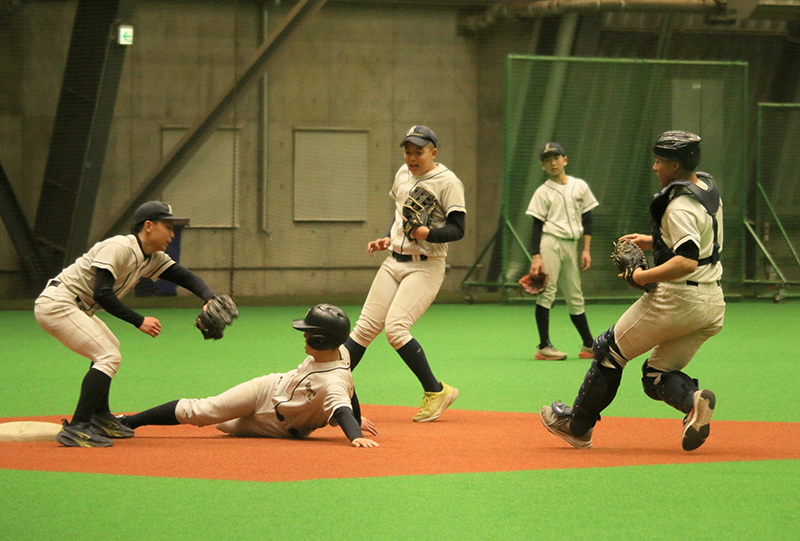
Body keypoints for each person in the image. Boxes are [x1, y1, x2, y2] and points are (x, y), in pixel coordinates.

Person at [539, 130, 724, 451]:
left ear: (676, 165)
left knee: (608, 351)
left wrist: (642, 276)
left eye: (660, 161)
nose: (655, 167)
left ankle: (578, 426)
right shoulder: (706, 188)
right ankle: (694, 402)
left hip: (677, 299)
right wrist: (652, 240)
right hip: (712, 304)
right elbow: (702, 242)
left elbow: (686, 261)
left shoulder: (678, 206)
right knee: (656, 375)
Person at [35, 201, 220, 448]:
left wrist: (210, 298)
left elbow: (184, 277)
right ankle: (78, 425)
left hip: (75, 306)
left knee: (110, 346)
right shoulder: (119, 247)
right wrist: (139, 320)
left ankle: (100, 417)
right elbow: (102, 293)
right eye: (168, 226)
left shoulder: (151, 257)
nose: (172, 234)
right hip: (58, 303)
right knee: (107, 355)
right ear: (148, 226)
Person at [119, 304, 379, 448]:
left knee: (222, 425)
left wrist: (355, 434)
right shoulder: (342, 354)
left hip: (276, 426)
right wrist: (358, 417)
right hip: (267, 388)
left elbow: (343, 403)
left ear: (322, 340)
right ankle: (128, 422)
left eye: (309, 332)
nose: (304, 335)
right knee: (204, 411)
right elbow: (351, 390)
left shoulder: (332, 383)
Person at [343, 125, 465, 422]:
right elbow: (401, 214)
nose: (412, 156)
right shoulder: (403, 174)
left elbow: (458, 229)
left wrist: (428, 232)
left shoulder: (447, 182)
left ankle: (436, 390)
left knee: (396, 328)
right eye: (408, 150)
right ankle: (329, 382)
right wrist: (388, 236)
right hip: (393, 261)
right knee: (364, 328)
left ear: (433, 152)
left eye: (419, 151)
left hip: (426, 265)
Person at [525, 142, 599, 361]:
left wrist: (586, 249)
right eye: (547, 160)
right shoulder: (542, 192)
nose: (552, 162)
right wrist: (536, 256)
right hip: (550, 243)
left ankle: (589, 345)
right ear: (542, 166)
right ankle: (544, 346)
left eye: (556, 157)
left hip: (571, 244)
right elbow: (536, 225)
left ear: (565, 160)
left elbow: (587, 218)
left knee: (575, 294)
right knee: (547, 291)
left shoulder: (580, 186)